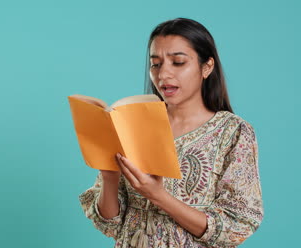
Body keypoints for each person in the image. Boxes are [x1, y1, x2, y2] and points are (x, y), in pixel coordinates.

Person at [79, 18, 264, 248]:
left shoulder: (233, 132)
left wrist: (159, 196)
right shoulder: (131, 124)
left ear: (207, 66)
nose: (163, 74)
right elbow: (110, 224)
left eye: (177, 62)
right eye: (156, 64)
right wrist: (109, 177)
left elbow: (237, 227)